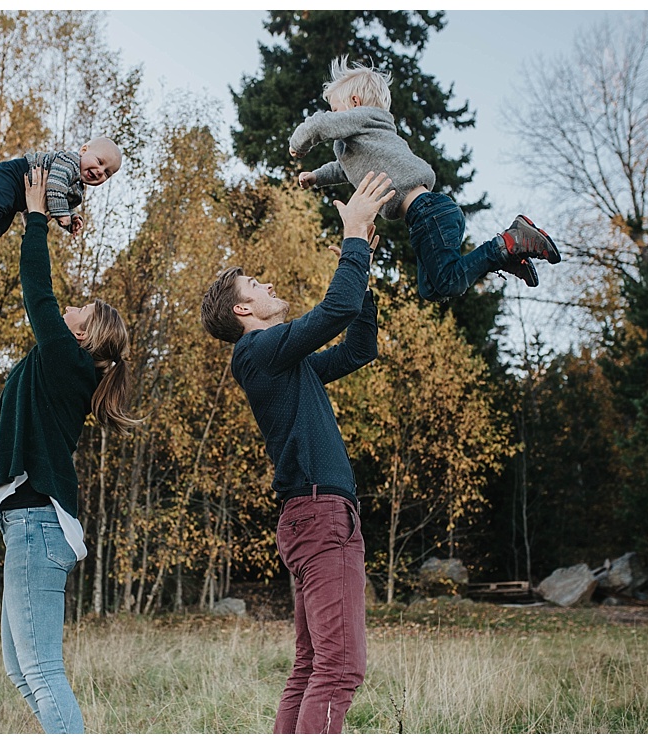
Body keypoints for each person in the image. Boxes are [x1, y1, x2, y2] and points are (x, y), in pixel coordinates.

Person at [199, 169, 397, 734]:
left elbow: (357, 347)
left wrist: (365, 268)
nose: (266, 286)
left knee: (313, 665)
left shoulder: (287, 365)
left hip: (315, 514)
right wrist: (353, 235)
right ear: (244, 312)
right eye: (255, 286)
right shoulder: (258, 353)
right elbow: (332, 313)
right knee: (339, 670)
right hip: (319, 515)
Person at [0, 165, 144, 733]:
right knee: (22, 672)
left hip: (36, 526)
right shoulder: (65, 365)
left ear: (85, 333)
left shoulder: (68, 360)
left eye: (81, 309)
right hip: (25, 526)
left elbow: (37, 290)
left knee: (42, 671)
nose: (69, 308)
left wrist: (35, 218)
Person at [289, 56, 561, 296]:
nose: (335, 117)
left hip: (428, 212)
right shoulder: (365, 143)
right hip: (425, 217)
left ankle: (508, 243)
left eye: (336, 110)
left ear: (355, 103)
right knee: (431, 289)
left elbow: (320, 124)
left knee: (449, 282)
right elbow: (344, 169)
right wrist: (316, 176)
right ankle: (505, 257)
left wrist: (298, 144)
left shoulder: (365, 118)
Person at [0, 138, 124, 267]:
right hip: (11, 177)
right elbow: (55, 186)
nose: (100, 171)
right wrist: (63, 214)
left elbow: (57, 203)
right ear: (84, 150)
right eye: (99, 162)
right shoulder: (70, 162)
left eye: (107, 173)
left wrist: (70, 220)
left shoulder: (77, 190)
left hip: (19, 198)